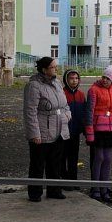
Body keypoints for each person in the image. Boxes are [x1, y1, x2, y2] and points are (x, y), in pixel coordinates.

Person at [23, 57, 71, 202]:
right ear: (44, 69)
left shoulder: (57, 83)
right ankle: (35, 192)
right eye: (53, 67)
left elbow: (64, 104)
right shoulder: (34, 86)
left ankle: (54, 190)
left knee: (55, 163)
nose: (55, 69)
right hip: (42, 131)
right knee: (38, 164)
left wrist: (68, 115)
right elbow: (30, 111)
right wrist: (34, 134)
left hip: (59, 130)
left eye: (56, 67)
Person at [85, 65, 112, 202]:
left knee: (108, 159)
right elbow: (89, 111)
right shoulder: (93, 90)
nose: (105, 80)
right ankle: (95, 188)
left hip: (110, 129)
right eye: (104, 77)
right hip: (98, 129)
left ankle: (104, 188)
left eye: (108, 78)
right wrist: (89, 132)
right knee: (99, 157)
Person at [61, 69, 85, 189]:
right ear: (66, 80)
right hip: (64, 131)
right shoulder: (62, 93)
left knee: (74, 157)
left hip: (76, 131)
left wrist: (83, 128)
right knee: (62, 156)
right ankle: (64, 182)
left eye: (76, 78)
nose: (74, 81)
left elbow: (83, 112)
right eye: (71, 78)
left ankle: (73, 181)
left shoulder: (81, 94)